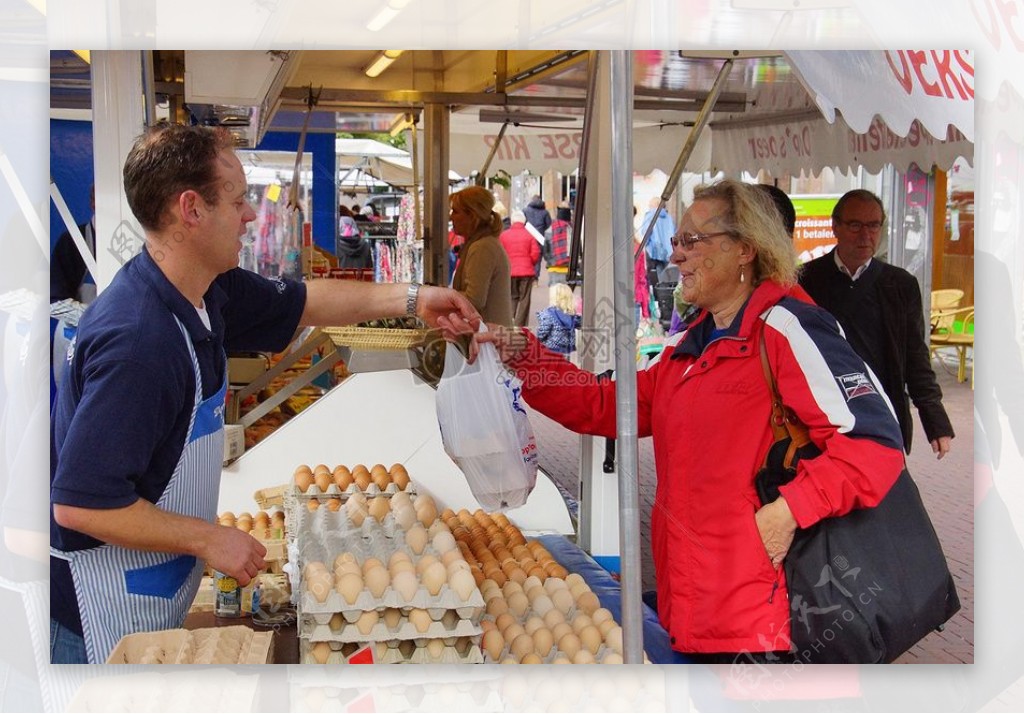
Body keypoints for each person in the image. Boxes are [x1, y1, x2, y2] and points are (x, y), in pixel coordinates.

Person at [49, 124, 481, 664]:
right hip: (100, 613)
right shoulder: (140, 342)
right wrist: (207, 540)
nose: (251, 215)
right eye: (237, 201)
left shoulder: (207, 289)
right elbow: (81, 504)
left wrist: (414, 298)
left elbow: (305, 302)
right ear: (191, 210)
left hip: (152, 592)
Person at [448, 179, 905, 661]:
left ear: (745, 249)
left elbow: (875, 444)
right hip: (693, 608)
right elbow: (604, 404)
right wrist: (521, 352)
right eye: (676, 242)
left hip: (765, 620)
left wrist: (790, 509)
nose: (676, 256)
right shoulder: (687, 347)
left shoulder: (788, 329)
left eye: (692, 241)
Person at [799, 189, 955, 459]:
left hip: (882, 413)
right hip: (824, 413)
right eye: (855, 225)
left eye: (873, 225)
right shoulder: (805, 280)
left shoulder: (900, 284)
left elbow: (915, 356)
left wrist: (935, 420)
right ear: (835, 226)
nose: (865, 235)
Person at [449, 185, 513, 326]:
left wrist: (442, 296)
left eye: (455, 211)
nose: (450, 216)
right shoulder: (482, 244)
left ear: (472, 216)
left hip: (489, 337)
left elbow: (474, 299)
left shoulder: (482, 248)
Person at [500, 210, 542, 327]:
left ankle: (510, 320)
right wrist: (530, 263)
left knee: (512, 296)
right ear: (524, 222)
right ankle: (520, 325)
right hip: (526, 272)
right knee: (524, 299)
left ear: (512, 221)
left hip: (510, 272)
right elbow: (535, 253)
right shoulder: (529, 235)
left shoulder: (503, 235)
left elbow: (500, 253)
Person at [639, 197, 676, 288]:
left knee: (653, 280)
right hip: (667, 253)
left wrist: (647, 245)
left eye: (650, 205)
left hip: (653, 252)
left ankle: (656, 298)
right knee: (665, 278)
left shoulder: (651, 215)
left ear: (653, 205)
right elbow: (674, 233)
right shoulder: (669, 218)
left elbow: (646, 232)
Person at [535, 283, 580, 356]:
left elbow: (542, 332)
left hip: (550, 349)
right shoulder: (572, 315)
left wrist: (538, 340)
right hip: (567, 350)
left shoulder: (548, 314)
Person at [336, 205, 372, 269]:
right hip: (361, 278)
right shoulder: (365, 245)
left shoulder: (335, 247)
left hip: (341, 278)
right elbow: (369, 269)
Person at [546, 206, 572, 285]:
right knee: (566, 294)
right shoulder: (571, 229)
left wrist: (549, 260)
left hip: (553, 267)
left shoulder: (550, 229)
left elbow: (545, 249)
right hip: (567, 267)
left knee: (554, 294)